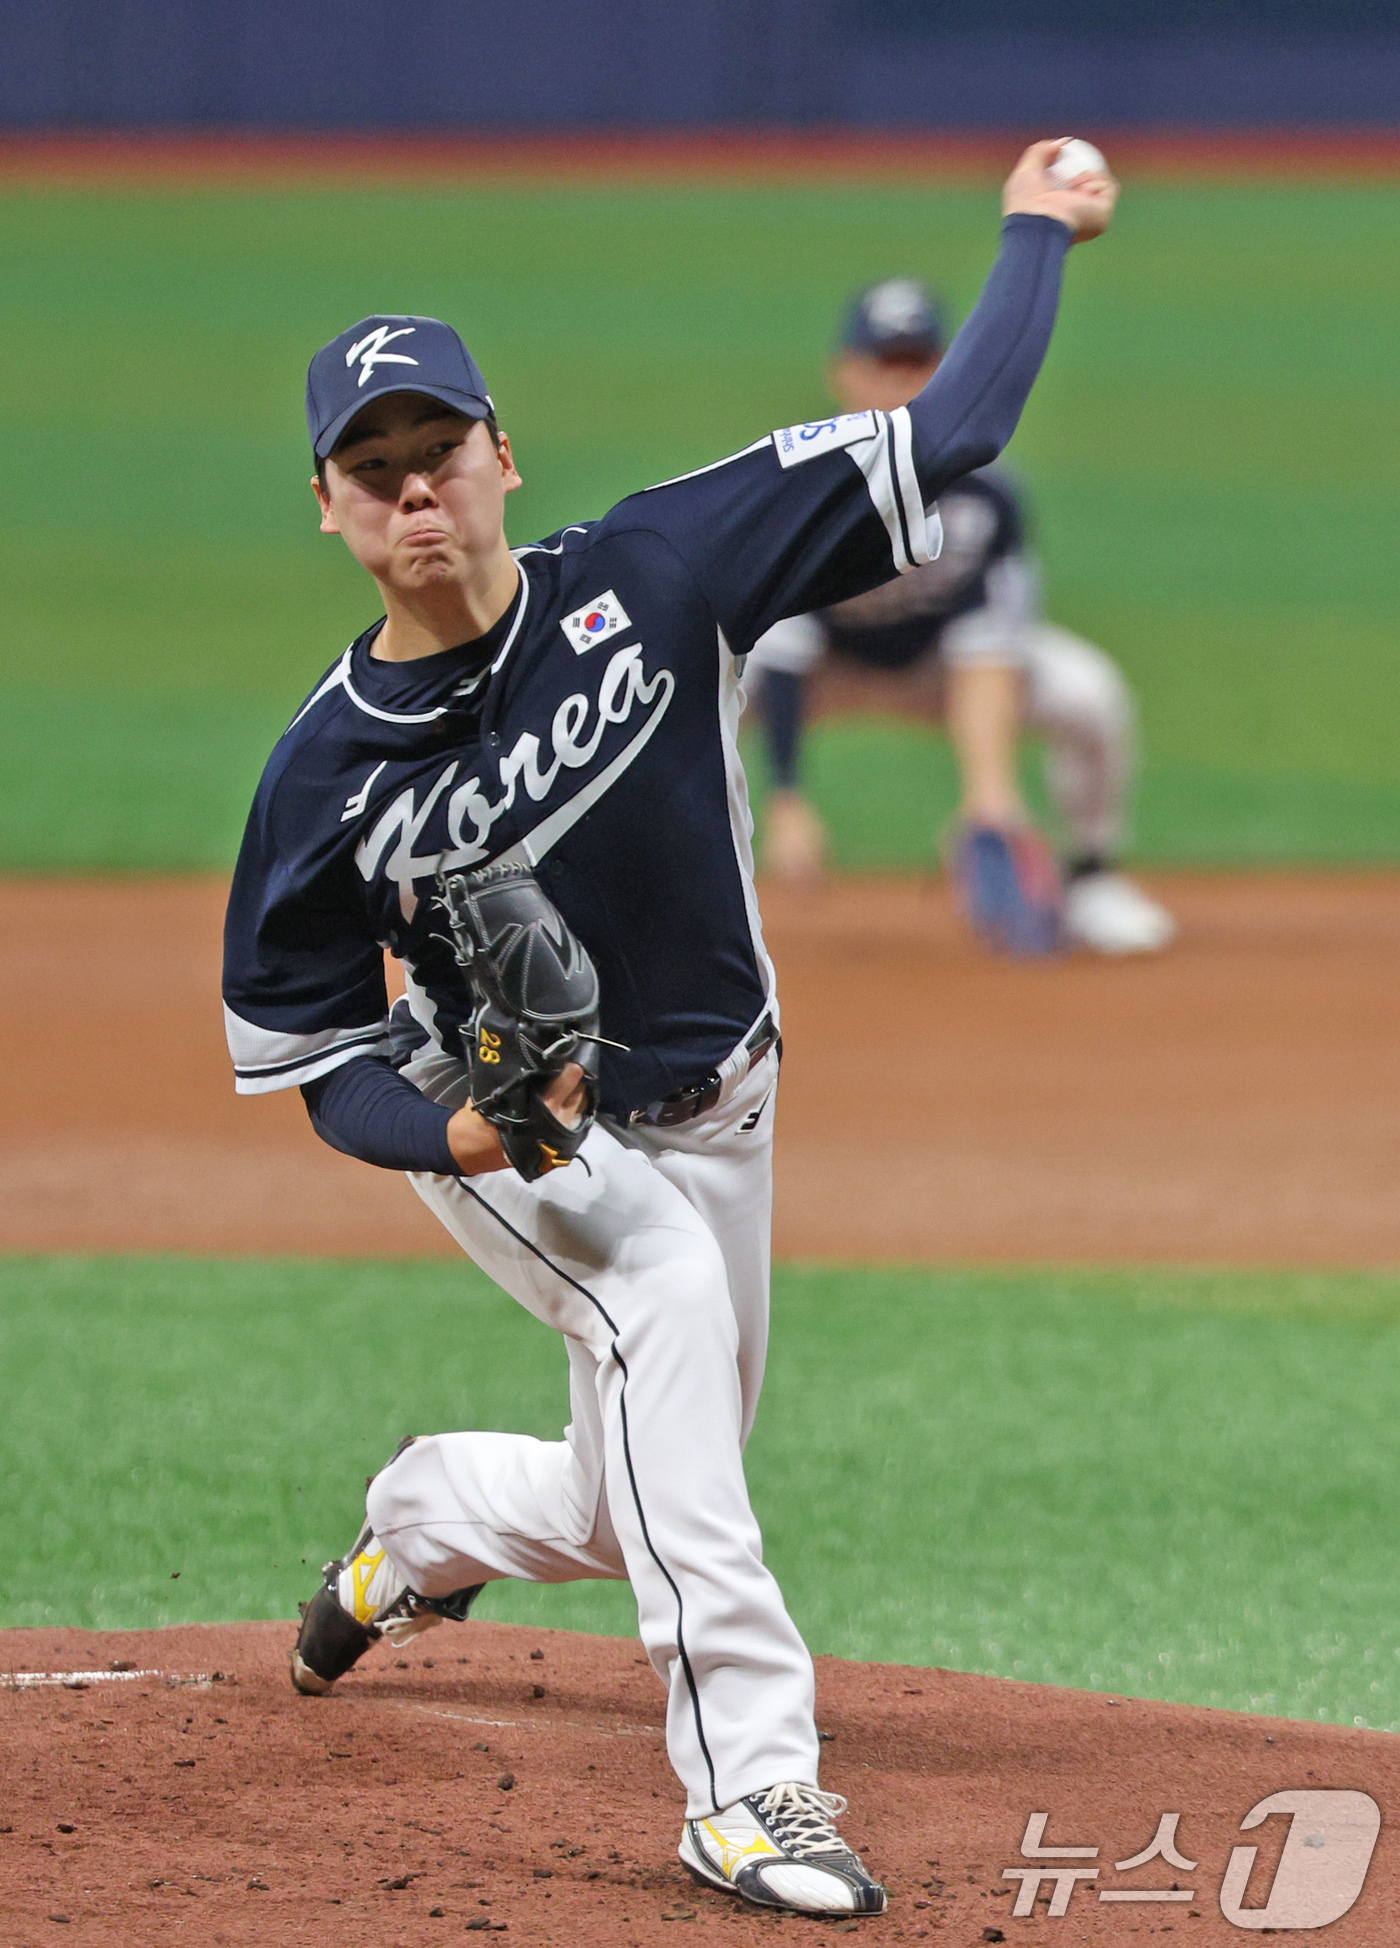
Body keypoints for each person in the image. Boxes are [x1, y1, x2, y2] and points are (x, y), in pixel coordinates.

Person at [221, 142, 1116, 1919]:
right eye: (373, 472)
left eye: (441, 456)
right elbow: (317, 1058)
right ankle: (751, 1789)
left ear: (502, 458)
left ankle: (420, 1524)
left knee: (647, 1481)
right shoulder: (321, 783)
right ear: (328, 507)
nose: (418, 498)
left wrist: (1034, 227)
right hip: (533, 1133)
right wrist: (461, 1135)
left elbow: (951, 438)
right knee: (662, 1305)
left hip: (730, 1096)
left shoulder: (659, 565)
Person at [747, 276, 1175, 956]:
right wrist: (788, 800)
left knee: (1091, 695)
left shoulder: (986, 496)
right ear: (845, 374)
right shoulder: (801, 493)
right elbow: (781, 654)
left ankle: (1091, 877)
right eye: (885, 363)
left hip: (936, 672)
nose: (902, 381)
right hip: (815, 674)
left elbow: (988, 653)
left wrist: (989, 798)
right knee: (678, 697)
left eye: (919, 363)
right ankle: (630, 911)